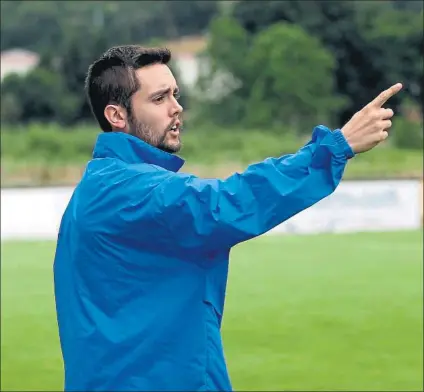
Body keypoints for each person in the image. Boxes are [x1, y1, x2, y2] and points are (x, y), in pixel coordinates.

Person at [53, 45, 402, 391]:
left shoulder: (99, 185)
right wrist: (336, 147)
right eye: (159, 99)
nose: (177, 109)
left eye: (176, 95)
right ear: (117, 116)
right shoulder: (129, 189)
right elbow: (227, 203)